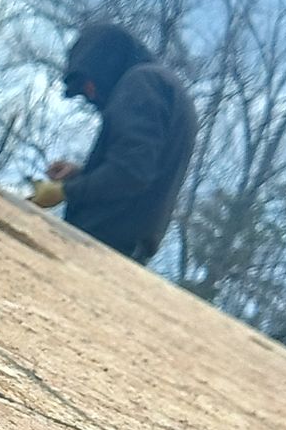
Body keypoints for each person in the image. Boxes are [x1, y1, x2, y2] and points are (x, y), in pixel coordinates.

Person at [28, 23, 197, 265]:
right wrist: (79, 175)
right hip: (122, 247)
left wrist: (64, 191)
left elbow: (130, 173)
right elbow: (139, 169)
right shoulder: (162, 87)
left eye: (87, 86)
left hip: (102, 246)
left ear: (107, 63)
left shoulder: (142, 83)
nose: (90, 96)